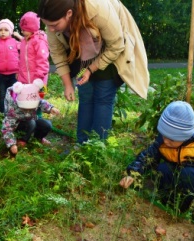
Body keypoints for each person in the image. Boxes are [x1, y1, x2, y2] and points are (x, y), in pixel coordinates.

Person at [37, 0, 149, 144]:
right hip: (79, 54)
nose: (50, 29)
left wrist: (91, 69)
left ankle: (97, 147)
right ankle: (82, 143)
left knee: (103, 98)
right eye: (47, 25)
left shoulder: (99, 10)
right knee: (85, 97)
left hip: (109, 52)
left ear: (69, 14)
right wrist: (67, 85)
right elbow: (57, 53)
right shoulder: (53, 20)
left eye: (54, 25)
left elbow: (116, 45)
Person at [1, 78, 60, 155]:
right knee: (31, 123)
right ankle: (22, 139)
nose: (28, 110)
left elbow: (41, 102)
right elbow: (6, 128)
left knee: (46, 125)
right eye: (25, 109)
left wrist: (50, 108)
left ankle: (38, 138)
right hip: (19, 125)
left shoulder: (34, 99)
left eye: (31, 108)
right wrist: (11, 144)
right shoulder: (13, 110)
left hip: (31, 122)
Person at [0, 19, 20, 113]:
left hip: (14, 74)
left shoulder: (15, 42)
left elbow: (26, 45)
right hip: (1, 74)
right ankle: (2, 112)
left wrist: (19, 37)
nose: (3, 32)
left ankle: (14, 111)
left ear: (11, 32)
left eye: (6, 30)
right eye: (1, 30)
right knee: (2, 93)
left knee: (14, 93)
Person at [17, 11, 49, 85]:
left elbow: (43, 60)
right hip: (24, 80)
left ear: (32, 28)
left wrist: (39, 78)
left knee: (38, 96)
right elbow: (21, 60)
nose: (22, 32)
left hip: (38, 81)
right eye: (21, 29)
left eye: (24, 30)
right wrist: (18, 73)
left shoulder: (39, 41)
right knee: (25, 96)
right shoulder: (24, 42)